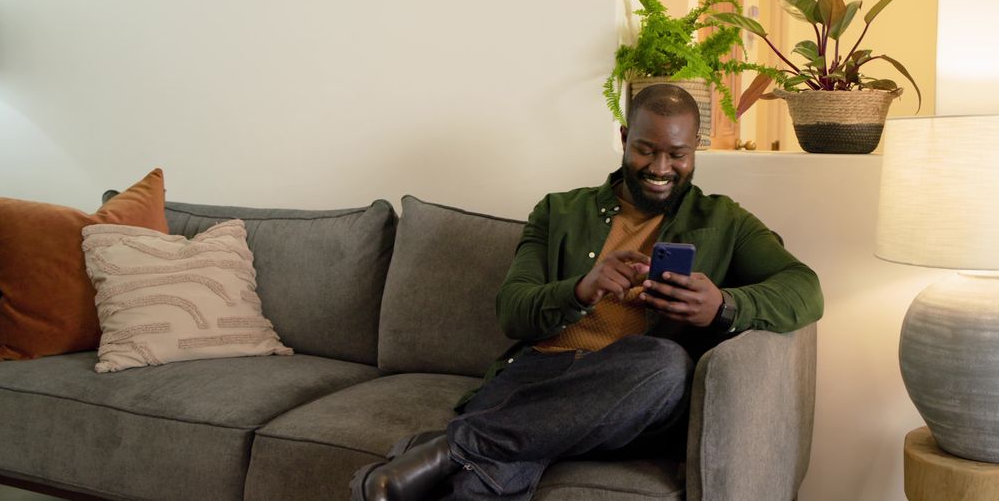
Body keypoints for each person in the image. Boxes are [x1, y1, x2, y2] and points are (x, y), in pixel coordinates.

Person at [351, 84, 824, 501]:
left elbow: (805, 289)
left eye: (677, 155)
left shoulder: (724, 221)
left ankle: (449, 447)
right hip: (539, 372)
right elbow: (512, 312)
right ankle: (464, 454)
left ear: (695, 149)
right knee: (493, 473)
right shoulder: (558, 211)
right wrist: (581, 288)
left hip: (635, 390)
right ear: (623, 139)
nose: (661, 168)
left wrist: (723, 305)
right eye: (646, 150)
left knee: (665, 364)